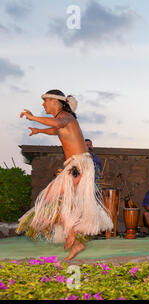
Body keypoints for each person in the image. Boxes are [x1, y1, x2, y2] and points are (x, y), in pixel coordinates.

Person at [16, 89, 113, 260]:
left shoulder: (66, 117)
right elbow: (55, 130)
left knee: (60, 200)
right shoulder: (64, 120)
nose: (43, 104)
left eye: (45, 100)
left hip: (79, 166)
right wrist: (39, 131)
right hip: (75, 165)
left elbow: (58, 125)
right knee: (56, 201)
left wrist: (33, 118)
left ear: (55, 101)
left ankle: (74, 236)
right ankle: (75, 239)